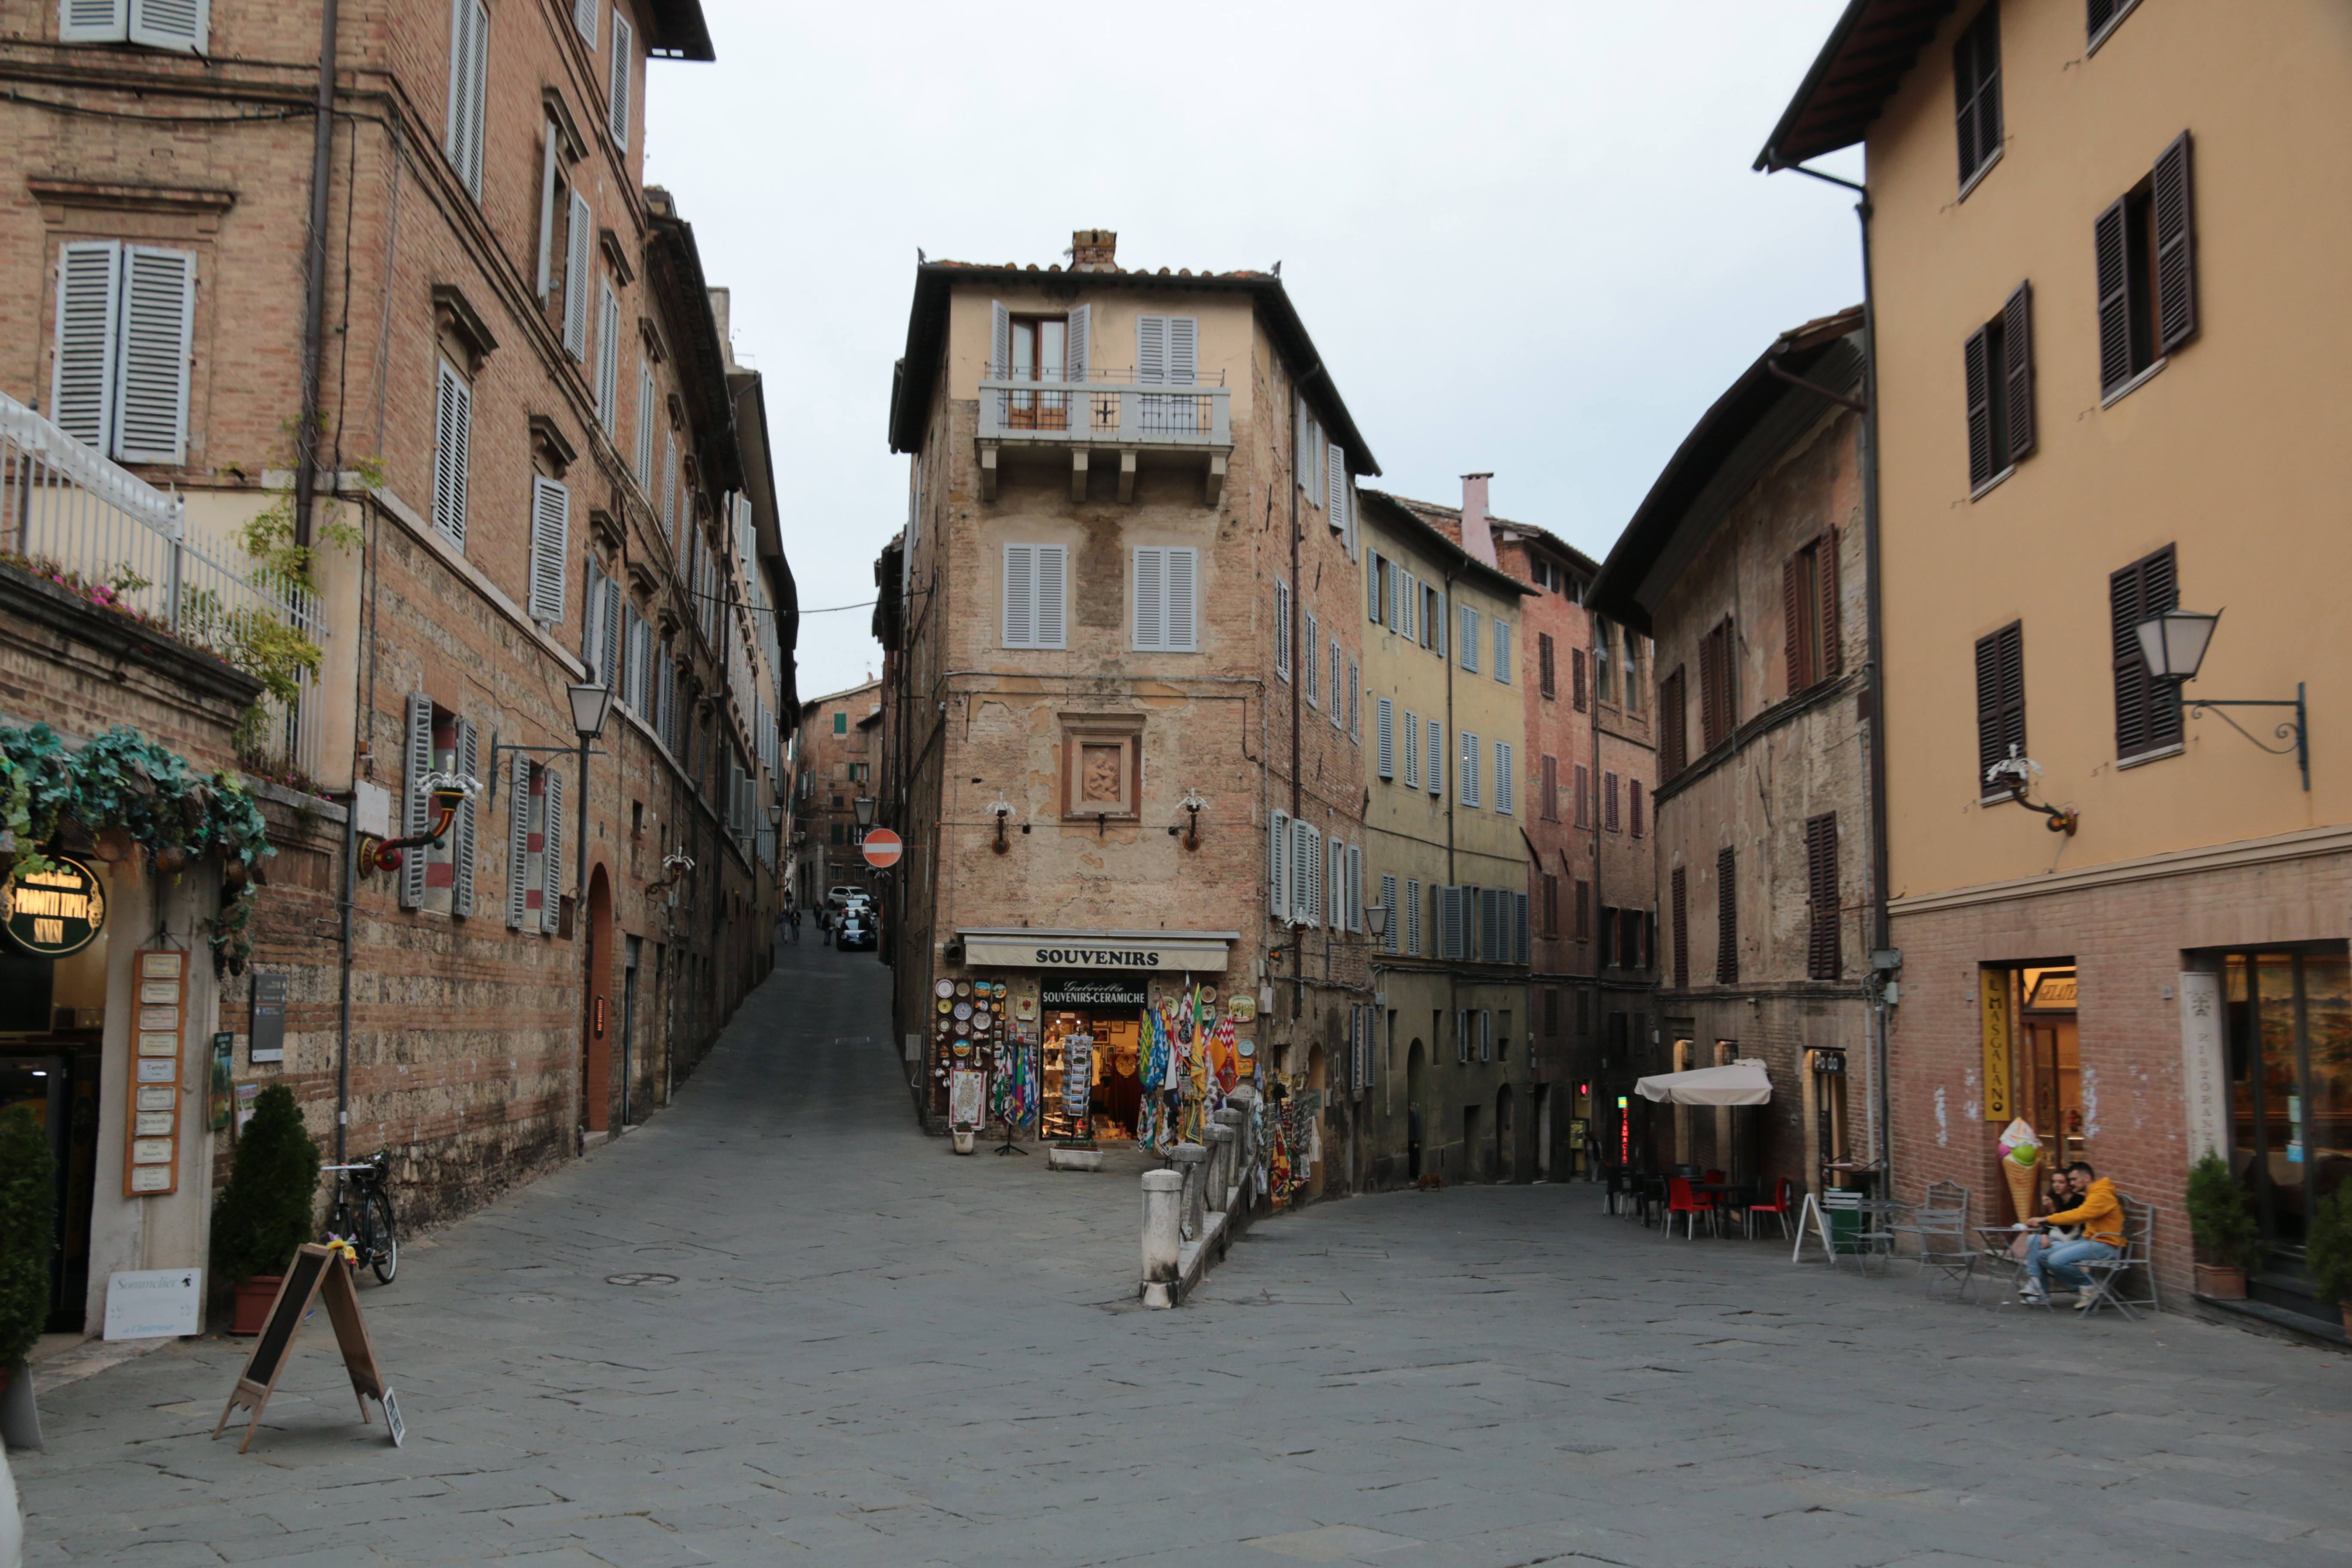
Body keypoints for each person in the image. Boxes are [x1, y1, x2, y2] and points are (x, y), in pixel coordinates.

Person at [2020, 1161, 2125, 1308]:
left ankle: (2090, 1286)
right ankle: (2041, 1290)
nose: (2072, 1184)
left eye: (2074, 1180)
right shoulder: (2093, 1194)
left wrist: (2047, 1219)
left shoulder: (2101, 1195)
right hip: (2091, 1242)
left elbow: (2079, 1215)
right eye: (2070, 1180)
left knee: (2056, 1260)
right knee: (2042, 1256)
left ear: (2087, 1178)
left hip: (2107, 1246)